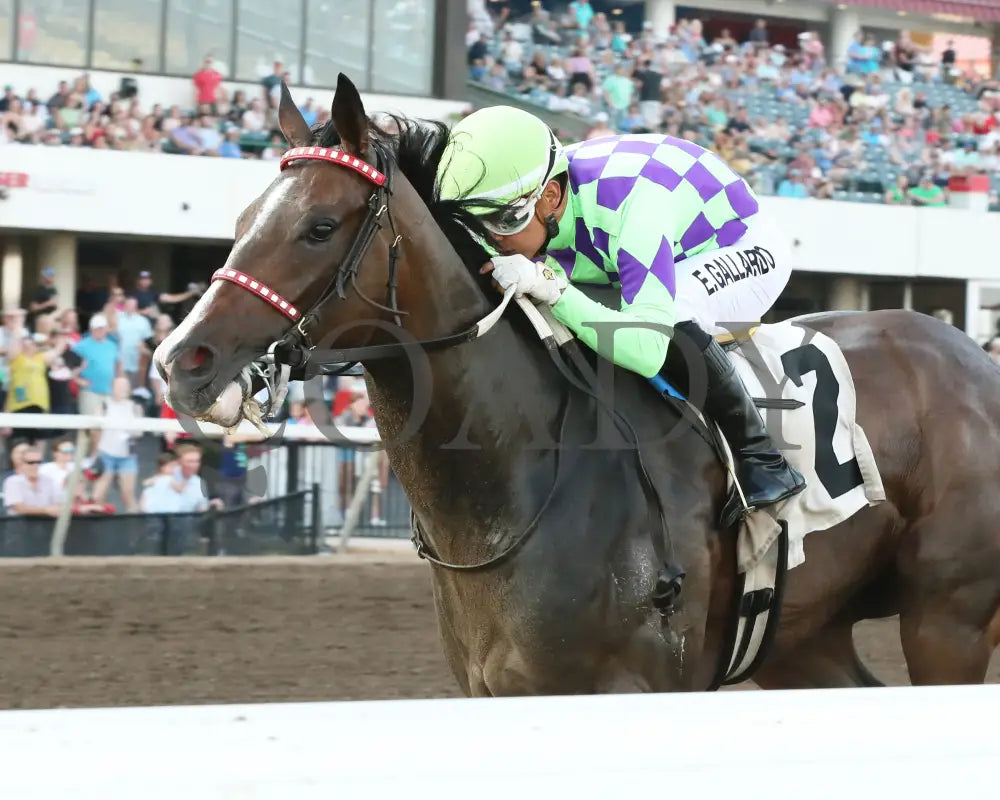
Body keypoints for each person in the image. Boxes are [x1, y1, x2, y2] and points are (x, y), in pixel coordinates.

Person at [435, 106, 806, 528]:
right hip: (620, 247)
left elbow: (648, 349)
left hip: (738, 245)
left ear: (550, 198)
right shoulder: (530, 194)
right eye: (478, 227)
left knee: (673, 311)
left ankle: (762, 459)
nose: (493, 242)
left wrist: (551, 288)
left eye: (501, 225)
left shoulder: (633, 209)